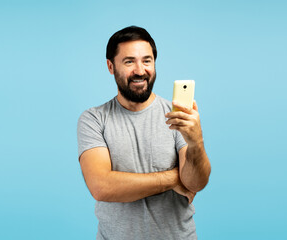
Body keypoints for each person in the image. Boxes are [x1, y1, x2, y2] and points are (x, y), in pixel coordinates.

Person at [77, 26, 211, 240]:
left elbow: (195, 184)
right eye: (129, 61)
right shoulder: (94, 119)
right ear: (111, 66)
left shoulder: (176, 115)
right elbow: (102, 186)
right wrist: (174, 179)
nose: (140, 70)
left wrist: (196, 142)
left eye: (147, 60)